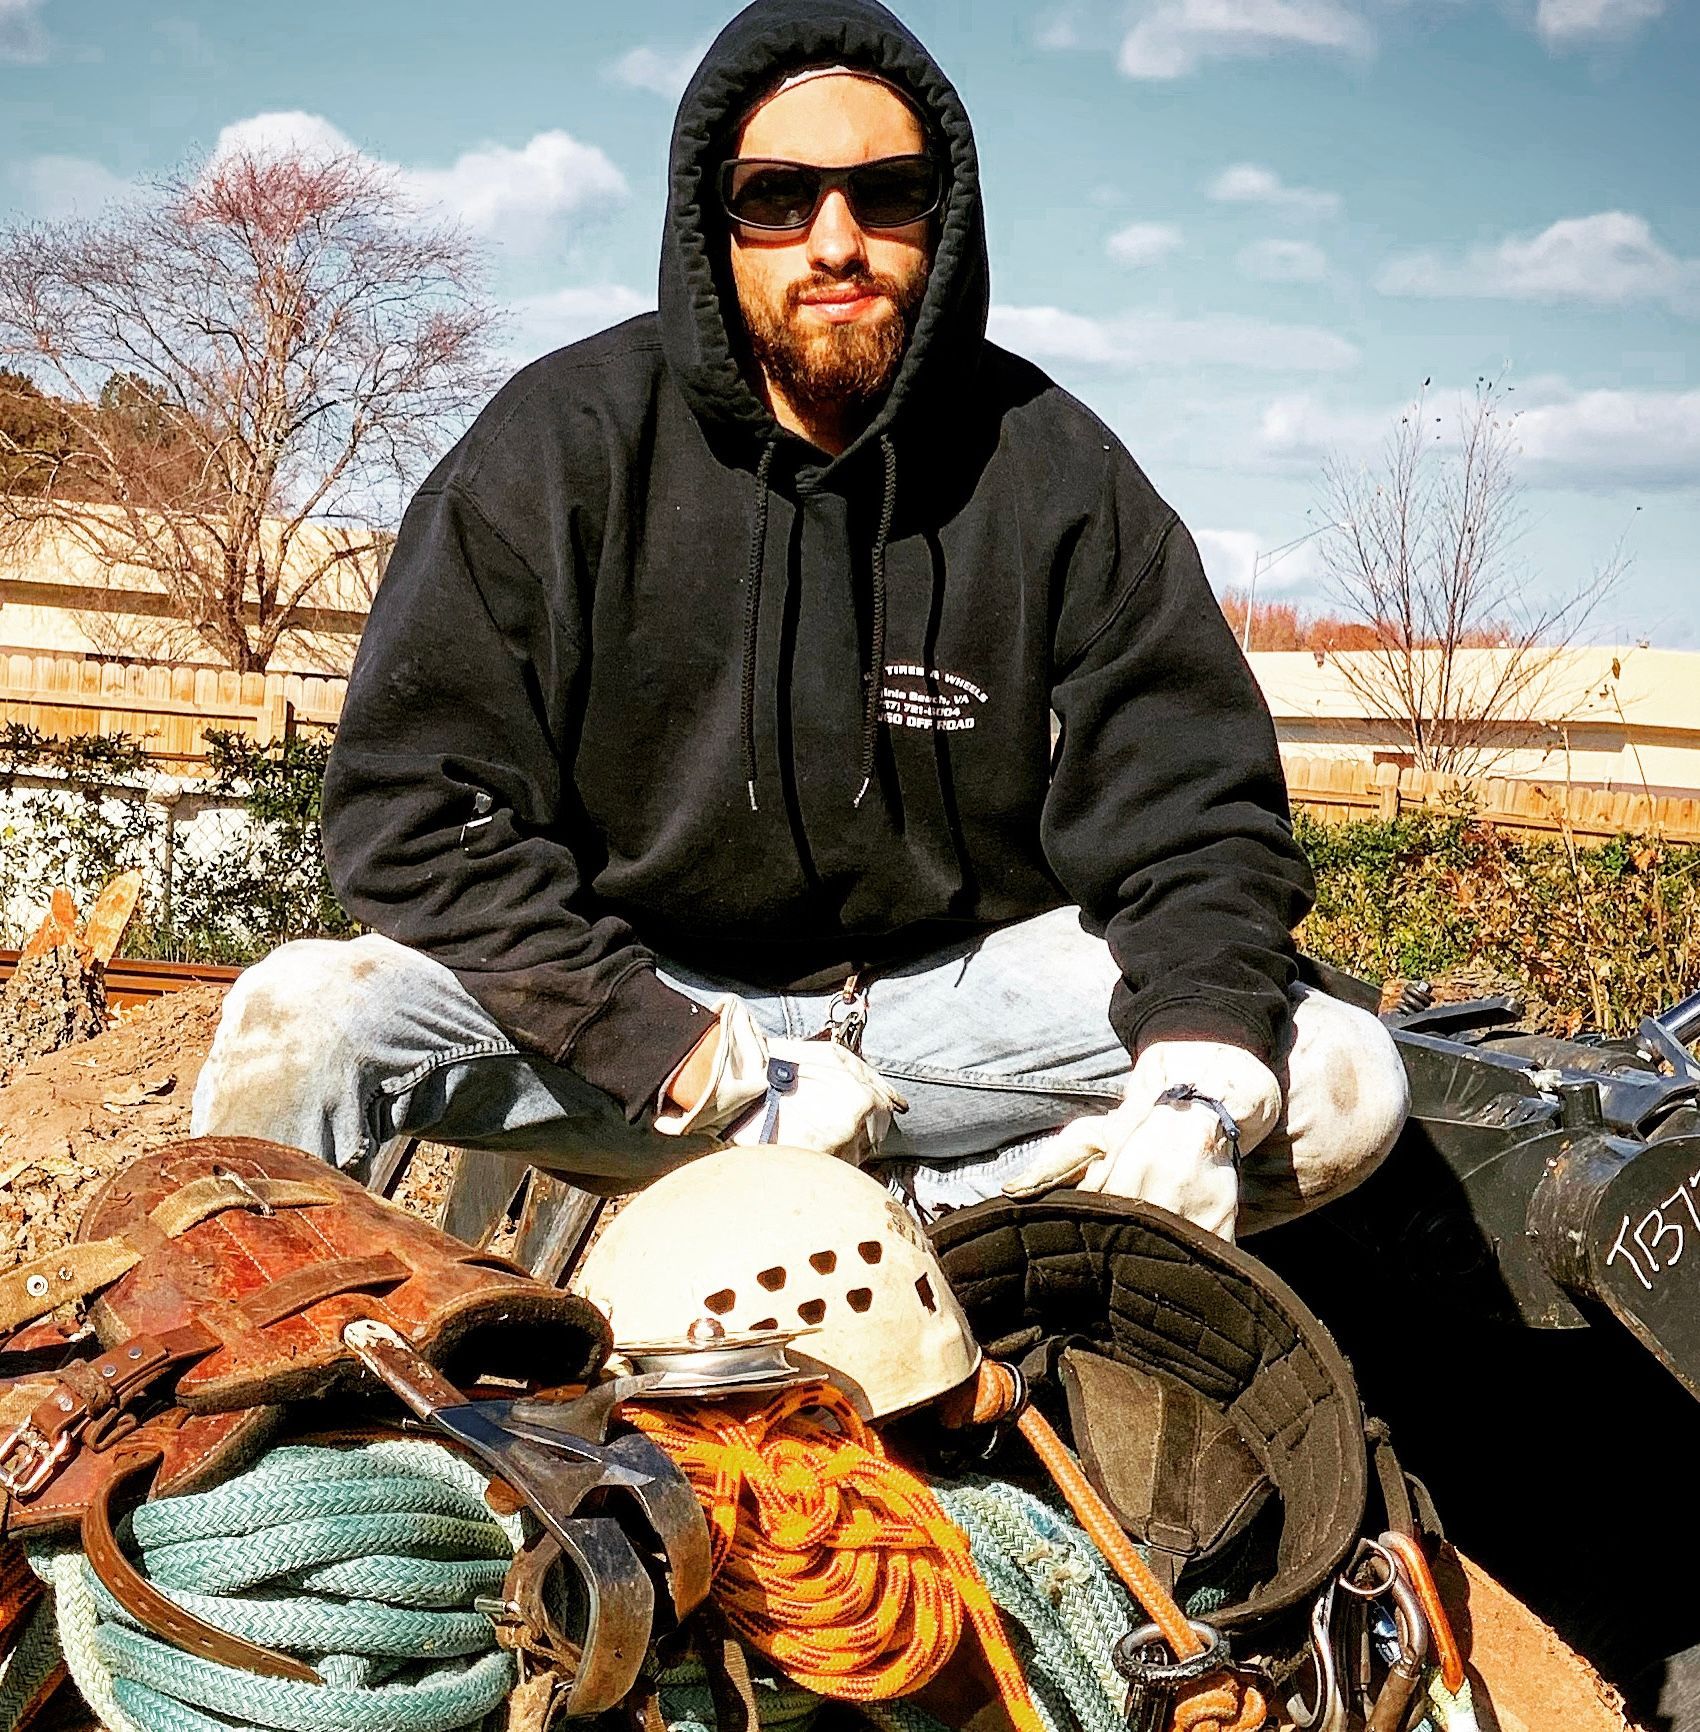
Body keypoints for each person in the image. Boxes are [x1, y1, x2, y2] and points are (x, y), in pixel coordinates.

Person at [191, 0, 1408, 1239]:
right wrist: (685, 1056)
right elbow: (414, 813)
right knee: (307, 1018)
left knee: (1338, 1077)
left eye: (885, 194)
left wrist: (1195, 1079)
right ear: (711, 224)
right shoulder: (558, 450)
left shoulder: (1057, 473)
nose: (835, 241)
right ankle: (219, 1391)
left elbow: (1195, 819)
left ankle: (949, 1222)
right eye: (777, 197)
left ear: (944, 218)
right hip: (652, 1025)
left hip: (950, 1022)